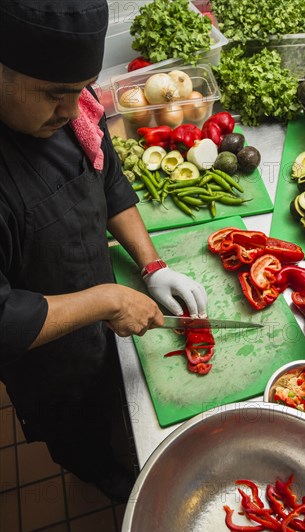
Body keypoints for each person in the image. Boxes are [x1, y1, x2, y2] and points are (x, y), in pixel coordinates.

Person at [0, 0, 207, 502]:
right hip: (48, 361)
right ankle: (102, 475)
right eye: (54, 95)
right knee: (78, 430)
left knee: (116, 401)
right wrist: (109, 300)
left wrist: (151, 265)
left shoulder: (73, 108)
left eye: (79, 90)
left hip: (99, 313)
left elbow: (107, 179)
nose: (74, 110)